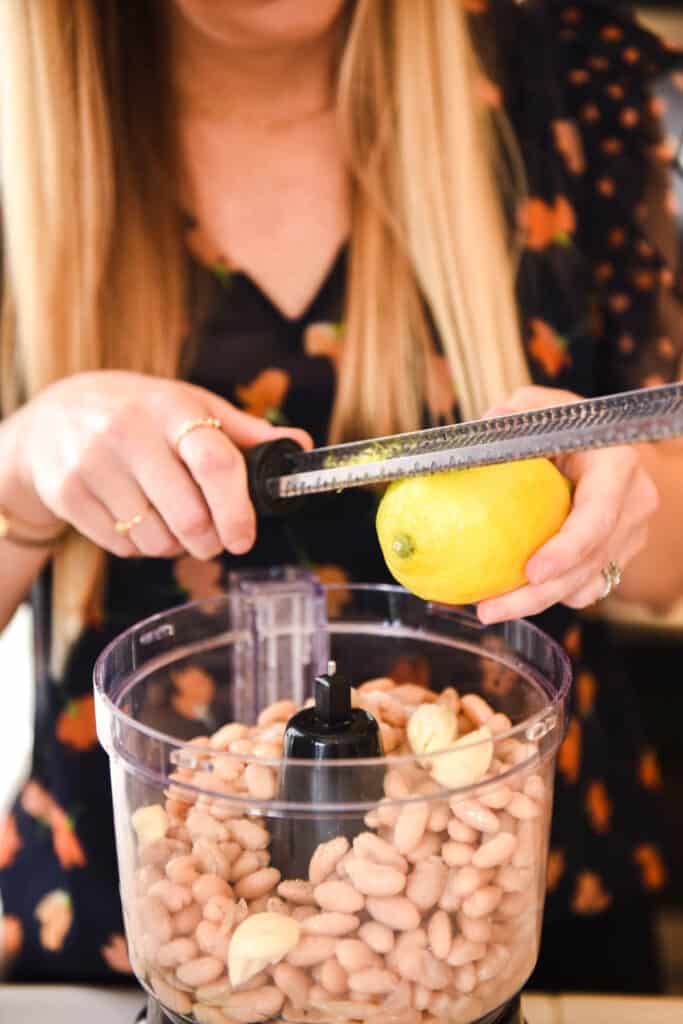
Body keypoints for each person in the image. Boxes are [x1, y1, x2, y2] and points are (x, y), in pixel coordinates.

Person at [0, 0, 682, 997]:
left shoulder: (580, 68)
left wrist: (619, 503)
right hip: (126, 924)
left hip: (507, 903)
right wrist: (20, 474)